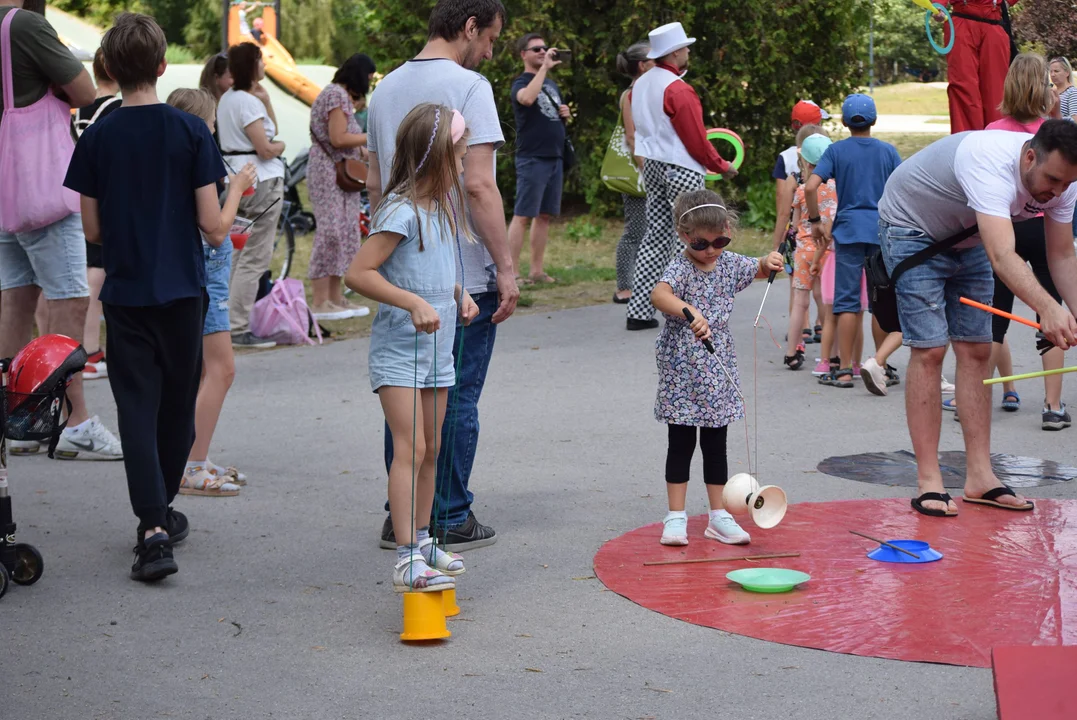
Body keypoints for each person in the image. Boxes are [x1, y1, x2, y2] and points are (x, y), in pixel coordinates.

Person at [63, 13, 231, 580]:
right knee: (177, 405)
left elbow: (93, 232)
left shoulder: (99, 135)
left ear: (107, 67)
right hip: (183, 290)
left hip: (127, 291)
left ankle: (152, 525)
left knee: (136, 406)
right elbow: (212, 226)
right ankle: (161, 512)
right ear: (162, 67)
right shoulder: (190, 132)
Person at [367, 0, 518, 551]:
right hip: (457, 263)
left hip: (403, 261)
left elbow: (376, 183)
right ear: (470, 26)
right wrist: (504, 267)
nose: (490, 52)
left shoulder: (384, 90)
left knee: (407, 401)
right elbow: (479, 185)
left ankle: (404, 516)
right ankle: (448, 514)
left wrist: (387, 256)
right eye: (491, 39)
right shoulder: (471, 87)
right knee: (454, 394)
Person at [877, 120, 1077, 517]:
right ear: (1029, 156)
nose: (1055, 192)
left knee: (976, 350)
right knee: (931, 349)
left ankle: (980, 477)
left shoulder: (1063, 182)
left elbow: (1062, 256)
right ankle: (929, 481)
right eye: (1052, 179)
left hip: (968, 236)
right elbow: (1004, 257)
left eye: (1066, 184)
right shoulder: (989, 162)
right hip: (910, 229)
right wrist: (1049, 308)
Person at [346, 103, 479, 591]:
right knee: (411, 447)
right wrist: (410, 303)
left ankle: (423, 541)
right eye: (460, 156)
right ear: (438, 157)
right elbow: (358, 273)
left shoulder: (440, 207)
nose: (464, 166)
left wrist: (458, 295)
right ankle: (405, 555)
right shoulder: (400, 210)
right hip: (400, 352)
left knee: (433, 448)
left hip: (437, 351)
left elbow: (434, 273)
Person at [0, 0, 122, 461]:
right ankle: (75, 420)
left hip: (7, 185)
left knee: (15, 298)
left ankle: (17, 421)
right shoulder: (25, 25)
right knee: (70, 299)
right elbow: (86, 90)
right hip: (42, 189)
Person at [649, 190, 783, 546]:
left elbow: (754, 267)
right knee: (680, 443)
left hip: (717, 365)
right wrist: (689, 312)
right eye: (700, 244)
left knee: (715, 443)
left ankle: (718, 516)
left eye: (719, 241)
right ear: (683, 235)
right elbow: (660, 294)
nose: (710, 250)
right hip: (681, 369)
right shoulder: (680, 267)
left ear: (727, 230)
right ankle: (675, 517)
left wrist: (767, 261)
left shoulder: (727, 263)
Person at [945, 53, 1069, 430]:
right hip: (1043, 225)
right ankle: (1052, 404)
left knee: (995, 314)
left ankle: (985, 391)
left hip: (1006, 226)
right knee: (1051, 312)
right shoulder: (1053, 133)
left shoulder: (992, 129)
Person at [165, 88, 257, 496]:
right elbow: (214, 230)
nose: (216, 128)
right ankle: (191, 464)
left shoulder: (169, 162)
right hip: (207, 278)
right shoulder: (195, 159)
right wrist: (236, 189)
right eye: (213, 121)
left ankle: (194, 456)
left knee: (205, 371)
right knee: (222, 369)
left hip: (198, 272)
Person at [626, 21, 735, 331]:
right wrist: (721, 165)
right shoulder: (678, 89)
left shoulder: (642, 84)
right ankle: (688, 311)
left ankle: (639, 310)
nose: (688, 51)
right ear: (674, 53)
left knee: (655, 234)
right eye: (685, 47)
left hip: (654, 164)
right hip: (681, 166)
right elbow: (695, 140)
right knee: (691, 238)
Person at [805, 93, 903, 393]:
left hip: (847, 233)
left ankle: (845, 370)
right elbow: (904, 186)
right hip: (879, 233)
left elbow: (810, 186)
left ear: (846, 122)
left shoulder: (836, 152)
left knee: (847, 303)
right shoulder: (888, 152)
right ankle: (879, 365)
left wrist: (815, 221)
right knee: (879, 302)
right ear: (873, 120)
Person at [217, 42, 286, 348]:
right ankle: (238, 325)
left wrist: (266, 100)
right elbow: (266, 146)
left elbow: (267, 130)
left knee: (235, 250)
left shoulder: (229, 99)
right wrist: (280, 148)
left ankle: (223, 319)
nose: (265, 66)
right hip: (261, 177)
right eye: (261, 60)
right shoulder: (247, 102)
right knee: (255, 255)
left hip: (236, 177)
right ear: (252, 65)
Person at [307, 53, 376, 320]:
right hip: (327, 170)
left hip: (338, 171)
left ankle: (335, 299)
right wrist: (369, 136)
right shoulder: (335, 95)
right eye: (369, 77)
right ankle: (321, 299)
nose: (369, 83)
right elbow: (338, 138)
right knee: (330, 232)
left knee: (346, 231)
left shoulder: (339, 96)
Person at [71, 47, 120, 381]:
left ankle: (84, 349)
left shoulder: (79, 109)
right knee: (97, 273)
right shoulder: (115, 108)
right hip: (104, 197)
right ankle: (89, 350)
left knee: (86, 270)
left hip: (77, 194)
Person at [507, 32, 570, 285]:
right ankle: (511, 273)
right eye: (536, 49)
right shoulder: (520, 82)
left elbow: (552, 112)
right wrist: (543, 70)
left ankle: (537, 271)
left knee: (544, 216)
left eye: (545, 48)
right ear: (524, 55)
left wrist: (564, 112)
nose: (543, 52)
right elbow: (527, 98)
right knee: (522, 215)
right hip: (532, 157)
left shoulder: (552, 85)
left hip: (554, 157)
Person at [773, 101, 829, 343]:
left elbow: (781, 198)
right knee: (823, 286)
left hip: (800, 235)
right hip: (827, 236)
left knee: (799, 285)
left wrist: (779, 240)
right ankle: (822, 326)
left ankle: (802, 328)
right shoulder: (830, 152)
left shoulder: (786, 158)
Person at [784, 132, 836, 370]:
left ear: (805, 161)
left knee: (800, 303)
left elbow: (794, 225)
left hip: (804, 250)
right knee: (825, 301)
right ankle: (832, 353)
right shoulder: (838, 188)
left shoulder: (802, 190)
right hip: (828, 250)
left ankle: (791, 352)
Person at [611, 42, 652, 304]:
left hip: (651, 169)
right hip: (640, 172)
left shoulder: (649, 91)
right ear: (642, 65)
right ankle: (624, 287)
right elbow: (631, 136)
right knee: (635, 230)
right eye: (653, 59)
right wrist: (647, 172)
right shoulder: (632, 94)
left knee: (655, 230)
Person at [940, 0, 1019, 133]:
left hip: (993, 24)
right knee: (963, 87)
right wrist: (939, 6)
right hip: (962, 22)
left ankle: (996, 143)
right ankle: (966, 143)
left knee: (996, 91)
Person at [1049, 57, 1076, 122]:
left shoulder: (1073, 92)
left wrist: (1057, 115)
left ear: (1067, 72)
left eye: (1056, 71)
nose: (1052, 75)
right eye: (1051, 71)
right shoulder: (1051, 92)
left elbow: (1075, 121)